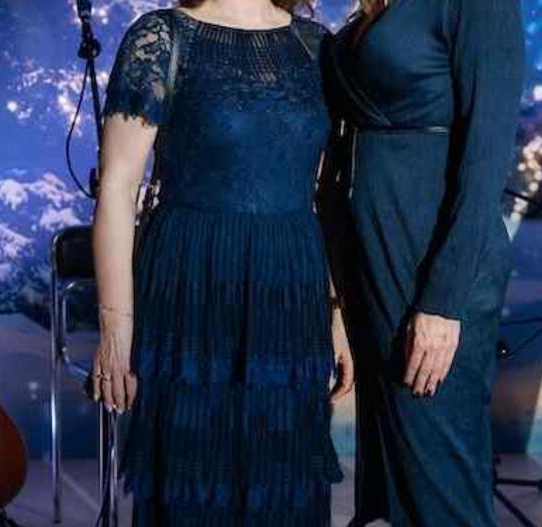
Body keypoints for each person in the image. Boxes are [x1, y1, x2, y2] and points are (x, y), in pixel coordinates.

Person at [90, 1, 354, 524]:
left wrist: (338, 311)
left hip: (289, 286)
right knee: (190, 482)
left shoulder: (316, 45)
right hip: (193, 281)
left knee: (284, 483)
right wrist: (115, 329)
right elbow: (118, 188)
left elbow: (329, 195)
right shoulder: (162, 37)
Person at [322, 0, 526, 524]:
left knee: (440, 488)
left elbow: (486, 162)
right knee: (394, 489)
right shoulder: (371, 10)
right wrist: (339, 299)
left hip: (429, 272)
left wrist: (442, 302)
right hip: (370, 263)